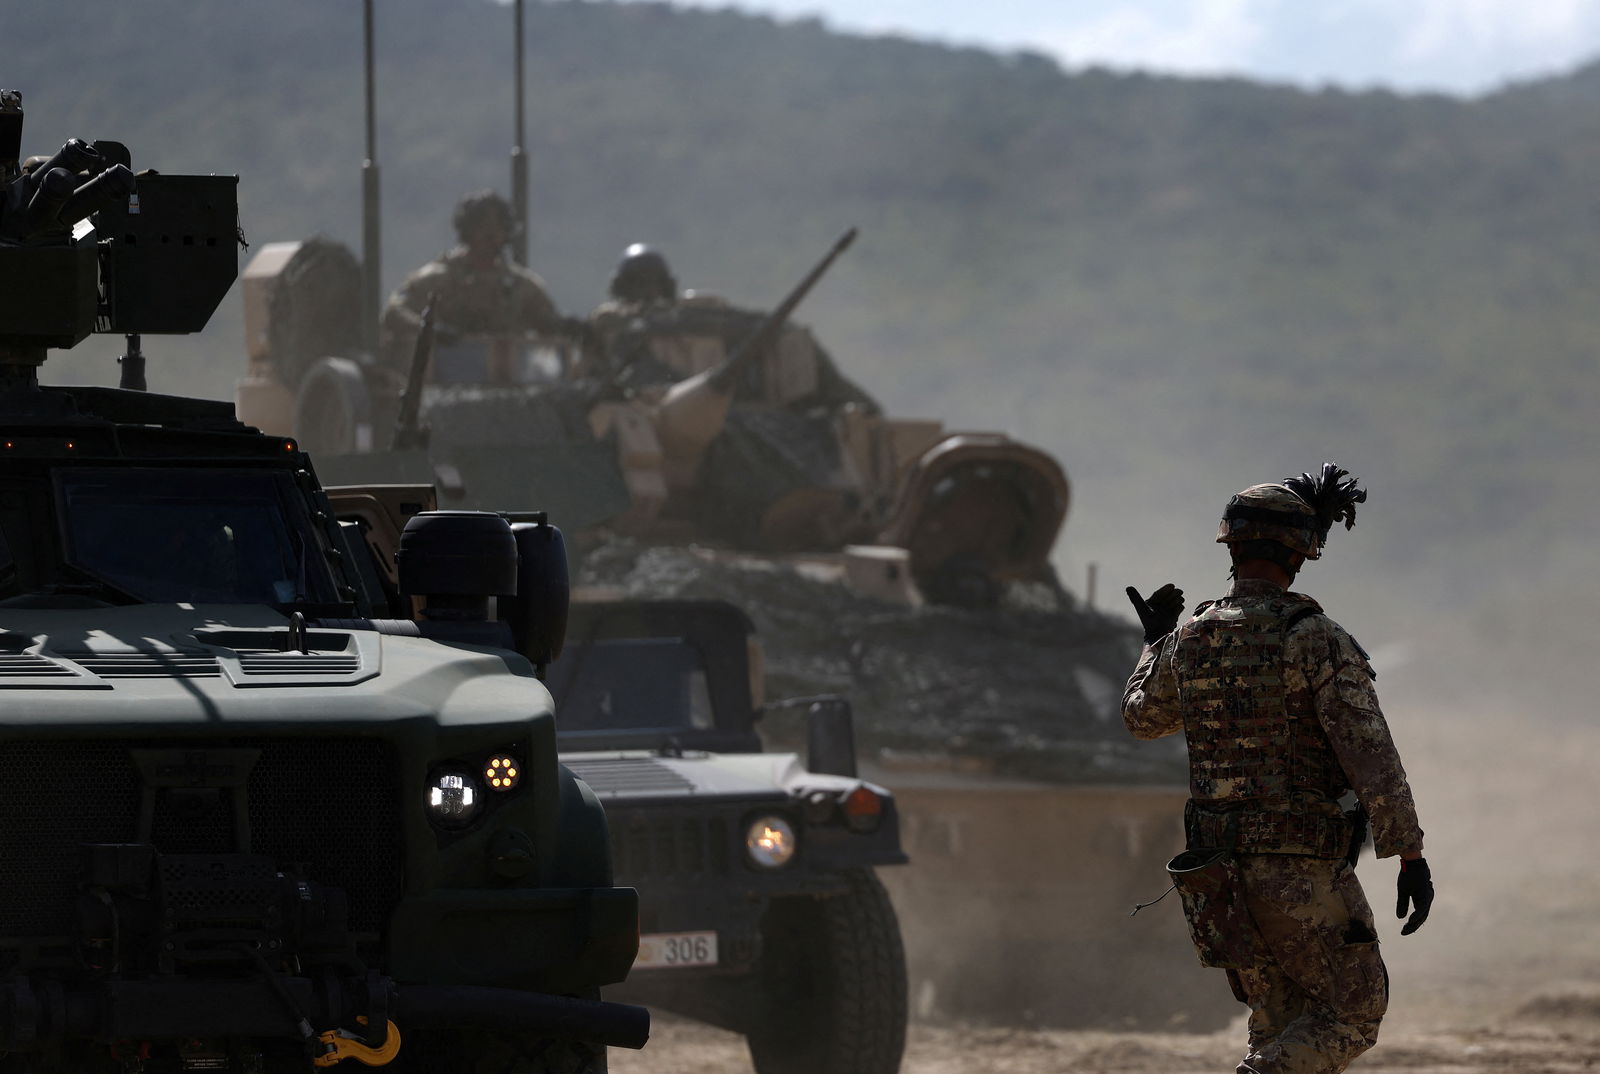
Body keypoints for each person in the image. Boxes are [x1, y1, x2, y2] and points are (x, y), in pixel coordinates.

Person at [1121, 464, 1432, 1074]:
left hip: (1216, 873)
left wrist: (1154, 643)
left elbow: (1143, 717)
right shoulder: (1314, 638)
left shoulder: (1189, 638)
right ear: (1301, 552)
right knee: (1352, 1013)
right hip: (1299, 868)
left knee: (1278, 1024)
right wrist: (1410, 855)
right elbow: (1371, 758)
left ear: (1231, 547)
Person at [581, 242, 879, 415]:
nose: (646, 294)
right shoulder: (616, 327)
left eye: (649, 285)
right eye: (640, 285)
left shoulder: (627, 327)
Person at [379, 190, 570, 385]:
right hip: (442, 379)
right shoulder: (438, 278)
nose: (490, 235)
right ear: (467, 231)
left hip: (506, 381)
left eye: (498, 227)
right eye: (482, 227)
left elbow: (548, 324)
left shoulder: (520, 285)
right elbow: (394, 312)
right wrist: (429, 329)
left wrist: (565, 326)